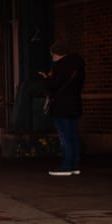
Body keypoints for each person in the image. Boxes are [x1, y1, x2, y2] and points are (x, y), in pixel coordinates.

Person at [39, 40, 85, 176]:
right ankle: (75, 165)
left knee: (64, 136)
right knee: (73, 135)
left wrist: (46, 79)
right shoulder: (78, 66)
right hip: (75, 103)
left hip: (61, 105)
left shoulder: (60, 66)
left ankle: (66, 166)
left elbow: (53, 85)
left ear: (55, 53)